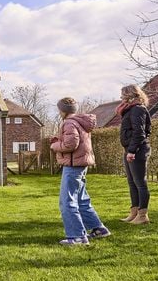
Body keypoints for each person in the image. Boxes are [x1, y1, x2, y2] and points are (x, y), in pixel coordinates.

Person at [50, 97, 110, 246]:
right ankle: (98, 228)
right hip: (81, 165)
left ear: (62, 111)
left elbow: (71, 144)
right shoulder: (81, 122)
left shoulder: (69, 123)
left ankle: (77, 237)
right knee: (81, 199)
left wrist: (55, 145)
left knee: (67, 201)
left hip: (73, 166)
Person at [117, 85, 151, 224]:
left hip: (138, 150)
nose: (121, 97)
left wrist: (132, 151)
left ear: (130, 95)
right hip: (130, 149)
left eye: (123, 95)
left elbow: (139, 132)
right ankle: (134, 212)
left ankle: (143, 215)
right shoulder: (130, 109)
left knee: (140, 183)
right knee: (132, 182)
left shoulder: (138, 109)